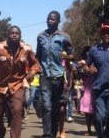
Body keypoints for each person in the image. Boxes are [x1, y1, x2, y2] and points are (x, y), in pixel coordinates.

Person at [0, 25, 40, 138]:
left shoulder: (26, 49)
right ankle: (0, 133)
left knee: (17, 110)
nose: (14, 35)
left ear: (20, 35)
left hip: (17, 85)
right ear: (7, 34)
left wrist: (32, 73)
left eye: (17, 33)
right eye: (12, 33)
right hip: (0, 85)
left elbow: (35, 64)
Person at [81, 24, 109, 138]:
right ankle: (100, 136)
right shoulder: (94, 49)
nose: (106, 34)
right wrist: (89, 69)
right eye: (104, 32)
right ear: (100, 35)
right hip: (98, 89)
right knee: (99, 116)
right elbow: (85, 65)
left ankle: (108, 135)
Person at [36, 10, 75, 138]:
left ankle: (53, 131)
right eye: (48, 19)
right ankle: (47, 134)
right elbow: (38, 56)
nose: (49, 21)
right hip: (45, 77)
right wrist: (38, 67)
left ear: (58, 21)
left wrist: (67, 57)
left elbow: (72, 54)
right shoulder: (41, 36)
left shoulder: (64, 37)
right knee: (46, 106)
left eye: (52, 19)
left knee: (56, 108)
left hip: (59, 77)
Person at [78, 45, 94, 136]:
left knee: (97, 109)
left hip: (96, 86)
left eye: (90, 51)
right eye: (87, 51)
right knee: (87, 110)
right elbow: (78, 73)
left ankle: (99, 126)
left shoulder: (97, 61)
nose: (88, 52)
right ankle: (88, 129)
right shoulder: (81, 63)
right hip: (87, 86)